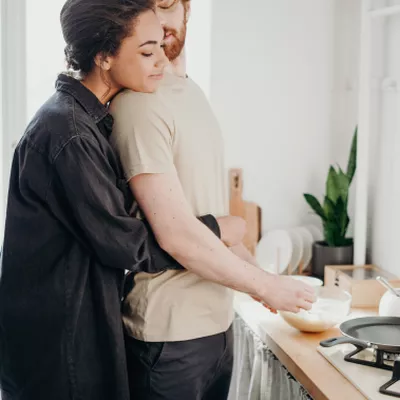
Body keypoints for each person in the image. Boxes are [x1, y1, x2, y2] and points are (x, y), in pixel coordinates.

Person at [0, 1, 234, 399]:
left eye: (160, 46)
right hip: (59, 353)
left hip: (67, 339)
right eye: (147, 51)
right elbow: (125, 244)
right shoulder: (68, 133)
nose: (162, 60)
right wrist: (216, 229)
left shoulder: (85, 119)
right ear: (104, 56)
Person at [109, 0, 316, 399]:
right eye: (147, 8)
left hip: (216, 326)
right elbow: (177, 235)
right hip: (168, 339)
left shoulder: (189, 91)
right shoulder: (139, 102)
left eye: (167, 6)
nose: (158, 21)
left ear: (188, 8)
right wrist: (264, 285)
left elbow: (210, 216)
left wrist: (263, 283)